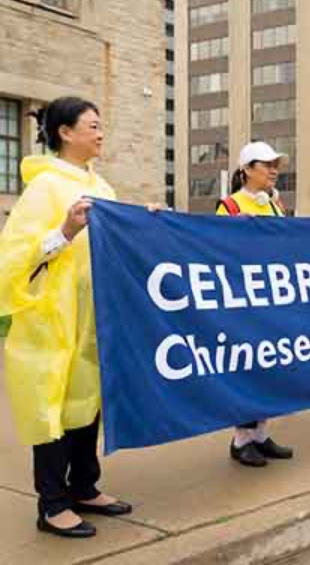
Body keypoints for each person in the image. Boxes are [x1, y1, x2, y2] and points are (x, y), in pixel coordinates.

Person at [0, 97, 132, 538]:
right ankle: (52, 504)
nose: (100, 133)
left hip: (94, 318)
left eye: (100, 125)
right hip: (52, 320)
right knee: (51, 407)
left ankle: (84, 487)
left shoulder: (104, 187)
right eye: (92, 125)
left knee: (86, 405)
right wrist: (65, 230)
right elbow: (14, 258)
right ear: (65, 133)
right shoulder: (44, 189)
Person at [217, 141, 295, 467]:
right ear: (247, 169)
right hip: (244, 302)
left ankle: (261, 435)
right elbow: (219, 252)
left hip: (272, 298)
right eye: (266, 164)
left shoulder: (274, 205)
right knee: (249, 369)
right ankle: (241, 440)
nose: (274, 169)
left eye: (276, 164)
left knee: (271, 368)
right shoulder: (230, 206)